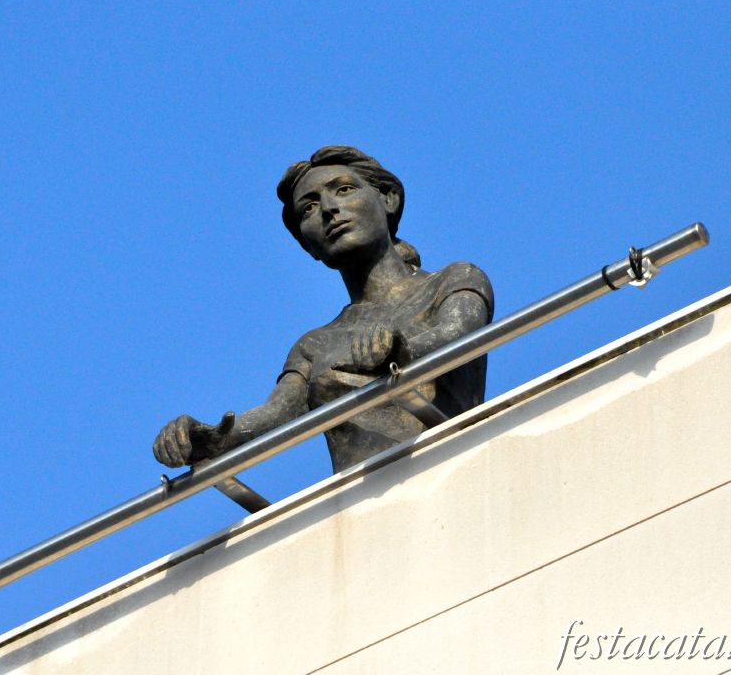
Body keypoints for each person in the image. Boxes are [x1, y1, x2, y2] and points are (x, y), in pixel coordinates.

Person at [153, 146, 494, 473]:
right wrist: (213, 439)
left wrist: (402, 349)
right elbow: (277, 413)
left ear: (388, 198)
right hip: (358, 503)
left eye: (344, 190)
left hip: (455, 471)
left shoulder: (456, 278)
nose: (329, 209)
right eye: (309, 209)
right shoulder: (313, 345)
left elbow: (458, 333)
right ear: (308, 246)